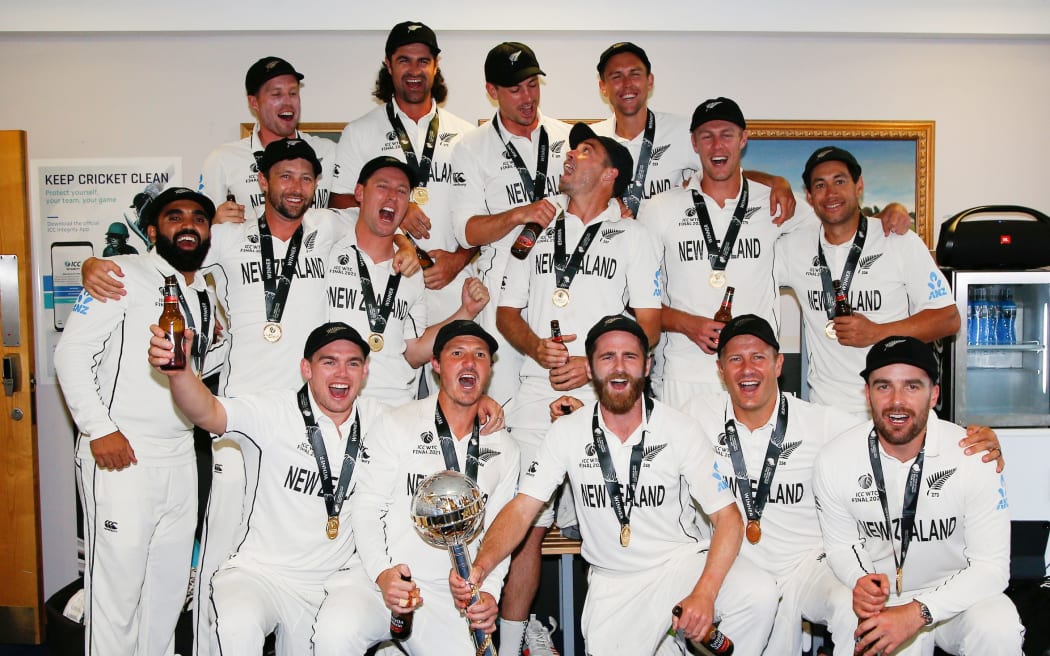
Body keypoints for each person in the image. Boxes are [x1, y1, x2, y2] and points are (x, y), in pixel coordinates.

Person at [80, 138, 399, 656]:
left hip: (307, 419)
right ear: (263, 183)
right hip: (240, 421)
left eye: (305, 178)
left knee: (301, 544)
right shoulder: (226, 237)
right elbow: (163, 256)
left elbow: (383, 228)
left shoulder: (329, 229)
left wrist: (409, 247)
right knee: (222, 558)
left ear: (316, 187)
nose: (295, 187)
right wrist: (96, 265)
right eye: (285, 176)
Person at [453, 315, 778, 656]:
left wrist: (705, 593)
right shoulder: (567, 433)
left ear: (648, 365)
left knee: (757, 593)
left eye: (630, 357)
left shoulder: (680, 428)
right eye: (607, 358)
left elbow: (728, 518)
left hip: (679, 567)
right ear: (591, 369)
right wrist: (480, 567)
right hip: (614, 584)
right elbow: (521, 510)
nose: (619, 368)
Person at [496, 122, 663, 654]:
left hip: (605, 396)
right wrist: (536, 348)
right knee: (526, 524)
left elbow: (650, 327)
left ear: (611, 174)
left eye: (585, 151)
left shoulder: (637, 237)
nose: (570, 157)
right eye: (571, 149)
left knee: (611, 521)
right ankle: (511, 640)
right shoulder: (534, 229)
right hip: (532, 395)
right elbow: (506, 314)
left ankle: (618, 638)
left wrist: (588, 367)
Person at [146, 321, 387, 656]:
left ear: (365, 371)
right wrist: (180, 372)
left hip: (330, 586)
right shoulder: (274, 411)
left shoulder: (382, 421)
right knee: (238, 626)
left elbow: (435, 420)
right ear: (307, 368)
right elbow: (209, 411)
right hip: (259, 575)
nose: (341, 374)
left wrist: (481, 407)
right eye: (328, 362)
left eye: (353, 363)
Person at [55, 187, 219, 656]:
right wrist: (98, 428)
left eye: (198, 218)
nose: (188, 224)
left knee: (166, 596)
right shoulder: (120, 274)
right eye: (174, 217)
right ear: (151, 231)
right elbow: (70, 354)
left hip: (180, 456)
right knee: (116, 599)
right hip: (120, 454)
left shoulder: (206, 289)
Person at [312, 320, 518, 655]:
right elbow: (366, 508)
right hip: (378, 580)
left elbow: (500, 531)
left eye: (479, 355)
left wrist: (489, 592)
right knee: (337, 632)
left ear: (489, 369)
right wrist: (382, 574)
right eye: (457, 353)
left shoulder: (507, 449)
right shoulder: (398, 423)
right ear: (436, 365)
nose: (469, 362)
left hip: (446, 595)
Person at [813, 336, 1023, 655]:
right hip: (886, 603)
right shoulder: (835, 459)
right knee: (851, 613)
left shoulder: (974, 455)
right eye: (884, 386)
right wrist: (861, 580)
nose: (897, 401)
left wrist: (919, 612)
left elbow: (992, 568)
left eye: (912, 387)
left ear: (934, 394)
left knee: (998, 624)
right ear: (867, 393)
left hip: (959, 598)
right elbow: (842, 545)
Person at [775, 146, 960, 415]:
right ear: (809, 196)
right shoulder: (794, 248)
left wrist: (878, 333)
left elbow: (948, 318)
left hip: (894, 408)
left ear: (858, 186)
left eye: (840, 181)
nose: (831, 193)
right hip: (827, 411)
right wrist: (775, 181)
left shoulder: (897, 240)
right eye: (820, 185)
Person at [329, 21, 478, 330]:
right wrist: (396, 209)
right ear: (388, 64)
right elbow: (340, 202)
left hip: (449, 282)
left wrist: (459, 259)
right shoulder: (360, 132)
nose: (414, 70)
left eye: (423, 61)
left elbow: (484, 214)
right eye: (404, 60)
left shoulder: (467, 134)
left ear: (436, 66)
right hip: (384, 282)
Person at [450, 41, 573, 406]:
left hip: (560, 275)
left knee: (560, 393)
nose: (527, 97)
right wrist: (520, 213)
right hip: (501, 283)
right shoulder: (470, 147)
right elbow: (467, 231)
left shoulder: (569, 137)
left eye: (532, 85)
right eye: (515, 88)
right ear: (492, 91)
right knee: (500, 400)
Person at [325, 155, 489, 404]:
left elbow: (413, 352)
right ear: (359, 192)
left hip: (394, 405)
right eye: (382, 186)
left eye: (402, 191)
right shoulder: (329, 245)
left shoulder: (412, 273)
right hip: (335, 398)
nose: (392, 196)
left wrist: (466, 311)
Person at [198, 56, 336, 222]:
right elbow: (201, 226)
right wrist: (214, 223)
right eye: (276, 94)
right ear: (254, 102)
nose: (288, 103)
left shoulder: (329, 152)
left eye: (293, 93)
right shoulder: (222, 159)